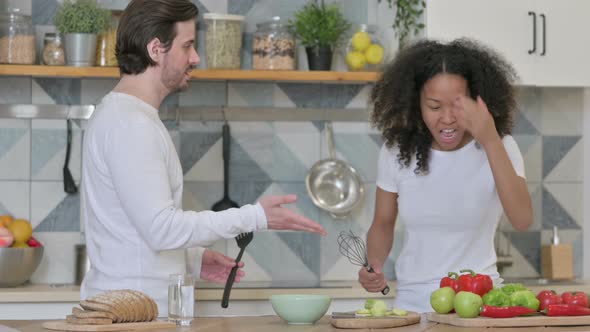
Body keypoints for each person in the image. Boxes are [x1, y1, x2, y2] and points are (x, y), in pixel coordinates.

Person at [80, 0, 326, 314]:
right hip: (133, 316)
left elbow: (135, 230)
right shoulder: (131, 124)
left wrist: (192, 259)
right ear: (156, 49)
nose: (195, 58)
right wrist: (256, 217)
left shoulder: (125, 115)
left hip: (132, 310)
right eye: (188, 46)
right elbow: (160, 228)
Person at [358, 39, 533, 312]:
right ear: (417, 105)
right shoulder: (396, 152)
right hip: (413, 307)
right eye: (435, 106)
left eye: (458, 105)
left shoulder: (501, 146)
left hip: (480, 306)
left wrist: (488, 139)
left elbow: (522, 219)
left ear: (479, 101)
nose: (448, 118)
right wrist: (373, 264)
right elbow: (382, 223)